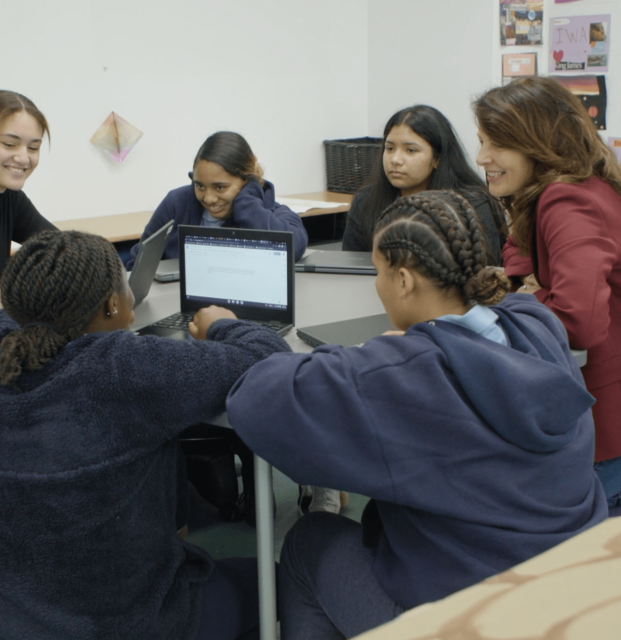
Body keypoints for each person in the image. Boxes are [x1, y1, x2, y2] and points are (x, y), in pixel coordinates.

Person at [223, 190, 608, 639]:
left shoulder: (401, 374)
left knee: (309, 540)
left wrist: (231, 329)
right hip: (567, 582)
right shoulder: (537, 325)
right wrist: (409, 347)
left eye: (378, 272)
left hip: (475, 614)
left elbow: (258, 398)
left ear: (404, 280)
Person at [0, 230, 290, 640]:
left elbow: (2, 314)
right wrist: (222, 326)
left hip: (6, 617)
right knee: (280, 580)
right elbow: (267, 360)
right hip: (127, 626)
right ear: (112, 304)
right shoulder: (124, 370)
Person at [474, 76, 621, 511]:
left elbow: (578, 321)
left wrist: (512, 299)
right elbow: (519, 253)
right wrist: (533, 285)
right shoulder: (566, 188)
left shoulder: (566, 199)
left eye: (496, 143)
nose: (482, 158)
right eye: (481, 142)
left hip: (604, 417)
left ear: (536, 143)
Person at [342, 105, 506, 263]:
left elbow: (486, 274)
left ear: (437, 158)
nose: (395, 160)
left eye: (410, 150)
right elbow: (350, 266)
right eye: (390, 148)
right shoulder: (365, 201)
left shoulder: (473, 204)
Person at [126, 131, 308, 267]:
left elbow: (294, 248)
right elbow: (138, 262)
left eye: (220, 187)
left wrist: (247, 201)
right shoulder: (177, 202)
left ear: (247, 181)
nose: (209, 198)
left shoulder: (271, 213)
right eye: (200, 186)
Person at [0, 89, 56, 322]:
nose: (24, 158)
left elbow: (64, 247)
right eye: (10, 144)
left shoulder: (9, 198)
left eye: (33, 148)